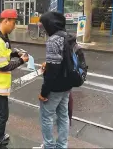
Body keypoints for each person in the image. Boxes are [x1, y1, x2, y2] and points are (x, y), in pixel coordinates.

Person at [0, 9, 29, 149]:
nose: (14, 26)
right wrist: (21, 60)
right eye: (14, 23)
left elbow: (4, 54)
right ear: (6, 21)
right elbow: (3, 66)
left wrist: (14, 53)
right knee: (2, 116)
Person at [38, 11, 72, 149]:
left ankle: (49, 146)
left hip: (55, 87)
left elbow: (52, 73)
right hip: (68, 85)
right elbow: (65, 61)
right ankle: (62, 145)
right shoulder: (68, 36)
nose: (43, 28)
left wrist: (44, 92)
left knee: (46, 117)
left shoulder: (53, 40)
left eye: (44, 25)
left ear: (50, 25)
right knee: (63, 116)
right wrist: (50, 63)